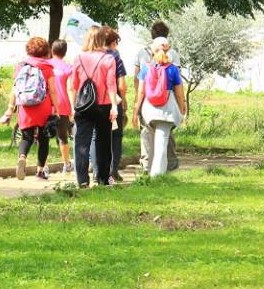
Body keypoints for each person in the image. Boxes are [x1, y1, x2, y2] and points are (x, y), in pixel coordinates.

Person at [1, 37, 59, 180]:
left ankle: (22, 157)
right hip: (43, 106)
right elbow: (52, 91)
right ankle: (40, 171)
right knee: (43, 139)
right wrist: (57, 108)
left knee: (26, 137)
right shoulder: (47, 67)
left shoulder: (21, 66)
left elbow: (15, 89)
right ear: (46, 51)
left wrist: (10, 108)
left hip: (25, 106)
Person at [67, 26, 118, 187]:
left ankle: (82, 180)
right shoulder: (109, 59)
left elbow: (73, 85)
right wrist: (114, 106)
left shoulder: (78, 58)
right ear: (102, 39)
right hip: (103, 105)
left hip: (82, 106)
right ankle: (103, 178)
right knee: (103, 143)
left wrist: (72, 107)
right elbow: (111, 84)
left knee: (81, 143)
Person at [132, 37, 187, 177]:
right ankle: (157, 176)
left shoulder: (145, 68)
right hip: (165, 112)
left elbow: (140, 92)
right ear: (168, 50)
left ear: (152, 51)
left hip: (148, 111)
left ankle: (148, 171)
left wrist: (136, 111)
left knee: (150, 142)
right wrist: (182, 110)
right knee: (161, 144)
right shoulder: (172, 70)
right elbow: (179, 94)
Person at [102, 26, 127, 181]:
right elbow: (122, 84)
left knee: (98, 135)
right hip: (113, 101)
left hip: (95, 101)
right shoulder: (115, 56)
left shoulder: (92, 55)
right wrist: (123, 100)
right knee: (115, 136)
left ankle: (98, 168)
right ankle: (113, 170)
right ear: (112, 42)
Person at [45, 39, 74, 173]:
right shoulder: (68, 67)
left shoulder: (45, 65)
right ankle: (66, 164)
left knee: (43, 137)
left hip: (46, 105)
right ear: (65, 52)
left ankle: (43, 166)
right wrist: (72, 109)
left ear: (52, 50)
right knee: (63, 136)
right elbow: (71, 88)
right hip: (63, 105)